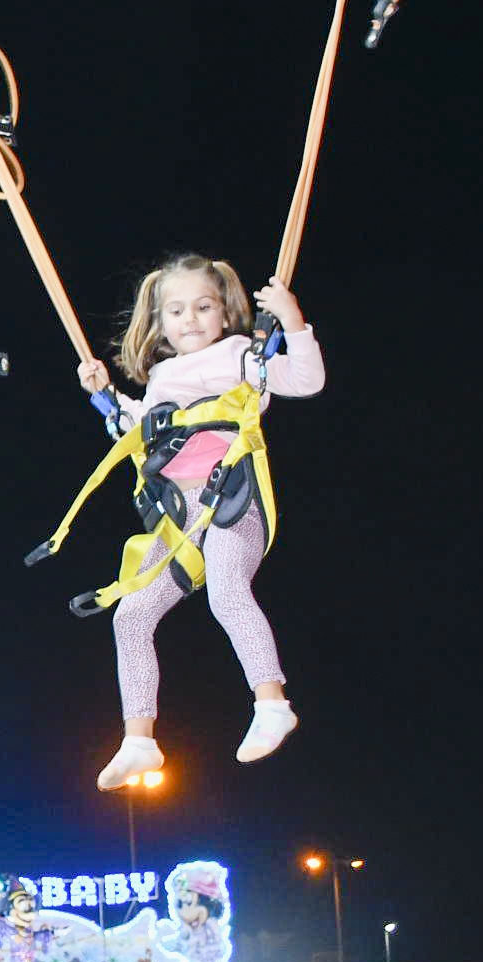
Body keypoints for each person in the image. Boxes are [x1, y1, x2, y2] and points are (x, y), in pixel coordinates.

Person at [76, 255, 323, 790]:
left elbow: (307, 380)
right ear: (159, 322)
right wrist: (105, 395)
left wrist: (292, 318)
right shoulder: (163, 374)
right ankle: (139, 742)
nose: (190, 319)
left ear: (224, 311)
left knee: (228, 592)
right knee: (131, 616)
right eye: (177, 310)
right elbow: (140, 428)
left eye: (203, 307)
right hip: (180, 517)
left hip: (232, 500)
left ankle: (272, 702)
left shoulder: (241, 355)